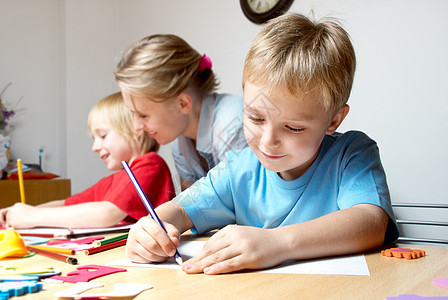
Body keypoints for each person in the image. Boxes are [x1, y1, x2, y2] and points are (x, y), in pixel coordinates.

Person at [125, 13, 399, 275]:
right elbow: (180, 209)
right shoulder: (238, 168)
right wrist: (152, 228)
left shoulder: (352, 153)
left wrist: (278, 243)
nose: (268, 141)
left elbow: (371, 222)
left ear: (333, 120)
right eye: (255, 117)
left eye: (293, 127)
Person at [0, 92, 175, 229]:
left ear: (136, 129)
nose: (95, 147)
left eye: (102, 136)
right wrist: (17, 213)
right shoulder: (116, 180)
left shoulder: (150, 165)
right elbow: (66, 204)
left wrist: (31, 217)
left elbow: (107, 213)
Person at [114, 34, 247, 190]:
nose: (136, 126)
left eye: (143, 115)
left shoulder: (232, 125)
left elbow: (243, 205)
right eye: (133, 113)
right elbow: (190, 206)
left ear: (183, 103)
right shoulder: (180, 145)